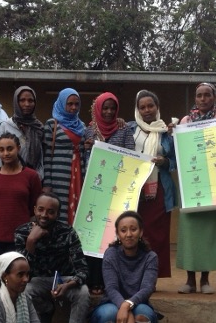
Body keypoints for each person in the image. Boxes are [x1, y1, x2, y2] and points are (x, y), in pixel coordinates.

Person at [176, 82, 216, 294]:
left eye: (207, 95)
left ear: (213, 98)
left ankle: (205, 280)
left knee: (209, 232)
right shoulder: (185, 122)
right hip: (191, 183)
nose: (202, 99)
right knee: (190, 233)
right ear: (195, 98)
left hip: (214, 184)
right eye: (199, 95)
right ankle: (190, 280)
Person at [84, 92, 135, 295]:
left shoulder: (124, 129)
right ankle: (94, 280)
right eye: (104, 108)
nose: (108, 112)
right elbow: (83, 159)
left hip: (117, 192)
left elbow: (131, 157)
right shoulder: (89, 130)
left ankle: (112, 283)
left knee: (113, 237)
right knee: (93, 237)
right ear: (98, 109)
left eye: (112, 108)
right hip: (94, 192)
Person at [14, 193, 90, 323]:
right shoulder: (22, 232)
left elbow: (83, 270)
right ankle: (46, 309)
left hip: (64, 280)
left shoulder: (67, 232)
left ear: (57, 214)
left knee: (83, 292)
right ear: (34, 210)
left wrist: (68, 285)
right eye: (41, 209)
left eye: (50, 212)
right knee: (23, 291)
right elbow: (21, 272)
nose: (44, 215)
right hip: (36, 280)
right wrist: (31, 241)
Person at [127, 90, 177, 280]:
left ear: (157, 107)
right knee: (133, 233)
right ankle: (134, 276)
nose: (147, 110)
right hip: (133, 190)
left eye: (150, 106)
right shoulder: (129, 129)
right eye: (142, 107)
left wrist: (164, 162)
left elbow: (176, 161)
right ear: (137, 110)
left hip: (159, 190)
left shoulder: (167, 132)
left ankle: (152, 277)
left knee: (157, 235)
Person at [0, 132, 43, 278]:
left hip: (19, 239)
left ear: (18, 148)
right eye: (1, 150)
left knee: (18, 281)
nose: (6, 153)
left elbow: (35, 208)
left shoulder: (31, 176)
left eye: (10, 149)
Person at [90, 211, 159, 323]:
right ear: (117, 234)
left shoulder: (150, 257)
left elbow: (147, 288)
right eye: (123, 230)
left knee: (143, 315)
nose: (128, 234)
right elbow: (111, 288)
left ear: (141, 232)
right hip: (111, 302)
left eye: (133, 229)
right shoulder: (111, 254)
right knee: (108, 314)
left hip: (139, 303)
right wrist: (124, 307)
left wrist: (127, 305)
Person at [42, 88, 86, 225]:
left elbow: (84, 153)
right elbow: (47, 156)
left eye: (76, 104)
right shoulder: (52, 124)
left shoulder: (82, 126)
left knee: (78, 209)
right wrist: (47, 183)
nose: (73, 107)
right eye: (69, 104)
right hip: (58, 177)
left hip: (78, 175)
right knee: (59, 210)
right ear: (62, 103)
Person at [0, 251, 40, 323]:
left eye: (27, 274)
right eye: (20, 275)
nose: (26, 279)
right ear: (4, 276)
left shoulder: (25, 299)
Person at [0, 86, 44, 178]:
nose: (27, 104)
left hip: (34, 178)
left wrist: (39, 176)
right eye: (22, 100)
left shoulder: (39, 127)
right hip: (10, 177)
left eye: (30, 100)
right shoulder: (6, 126)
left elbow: (41, 158)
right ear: (16, 102)